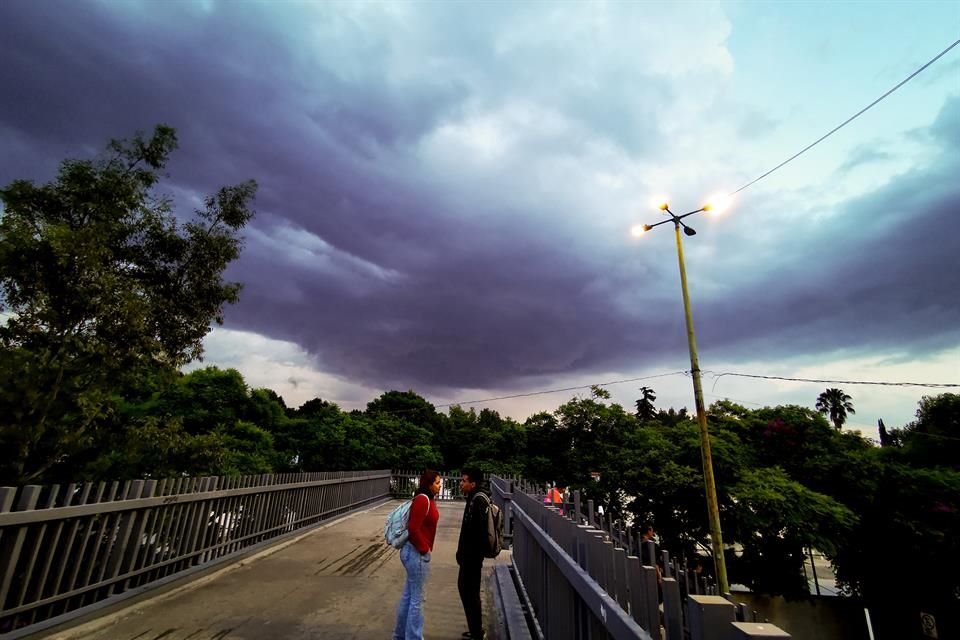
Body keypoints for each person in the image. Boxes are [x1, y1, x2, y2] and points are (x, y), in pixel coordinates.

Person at [393, 470, 442, 640]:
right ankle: (413, 636)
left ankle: (400, 635)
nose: (440, 485)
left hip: (412, 553)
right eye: (437, 483)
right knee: (418, 600)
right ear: (429, 484)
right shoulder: (423, 499)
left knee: (409, 596)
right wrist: (424, 549)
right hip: (416, 554)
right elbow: (413, 529)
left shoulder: (425, 498)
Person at [457, 468, 490, 640]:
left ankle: (477, 632)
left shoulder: (478, 501)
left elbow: (476, 533)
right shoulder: (474, 498)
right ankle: (475, 629)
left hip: (472, 558)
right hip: (469, 557)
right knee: (467, 590)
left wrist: (468, 554)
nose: (461, 483)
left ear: (473, 483)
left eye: (464, 481)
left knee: (469, 591)